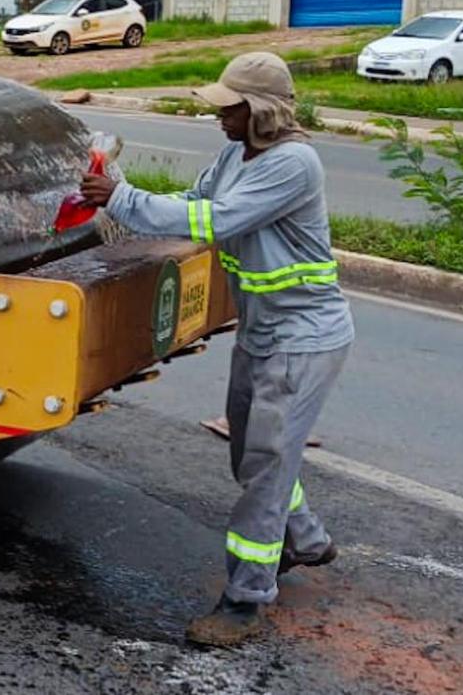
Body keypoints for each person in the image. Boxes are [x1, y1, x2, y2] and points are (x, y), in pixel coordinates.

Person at [77, 50, 353, 647]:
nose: (219, 117)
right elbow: (193, 202)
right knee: (252, 455)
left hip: (304, 337)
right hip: (262, 331)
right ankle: (306, 538)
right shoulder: (235, 154)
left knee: (268, 466)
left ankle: (244, 599)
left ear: (262, 112)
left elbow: (216, 220)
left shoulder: (294, 164)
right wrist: (119, 201)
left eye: (230, 108)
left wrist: (121, 198)